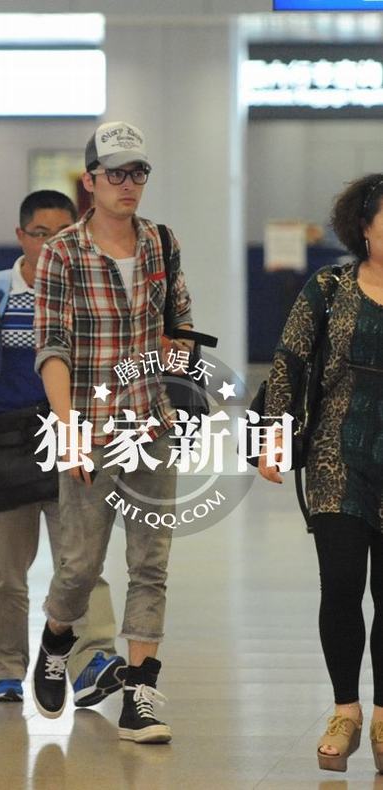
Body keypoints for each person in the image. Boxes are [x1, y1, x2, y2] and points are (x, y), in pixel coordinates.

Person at [32, 122, 194, 743]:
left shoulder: (161, 243)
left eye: (139, 173)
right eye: (117, 173)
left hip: (151, 423)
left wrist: (178, 352)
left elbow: (181, 323)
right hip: (90, 428)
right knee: (80, 566)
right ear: (91, 180)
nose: (129, 184)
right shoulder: (63, 253)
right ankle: (56, 640)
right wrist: (69, 428)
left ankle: (140, 696)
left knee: (151, 563)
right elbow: (52, 346)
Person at [0, 190, 126, 706]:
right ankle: (7, 669)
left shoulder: (90, 290)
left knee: (83, 563)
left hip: (75, 446)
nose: (50, 245)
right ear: (21, 236)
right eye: (40, 234)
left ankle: (91, 663)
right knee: (7, 573)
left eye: (62, 234)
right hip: (6, 452)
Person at [259, 174, 383, 774]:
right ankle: (345, 711)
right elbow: (289, 361)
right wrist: (273, 437)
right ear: (364, 227)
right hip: (338, 452)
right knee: (340, 583)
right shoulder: (329, 287)